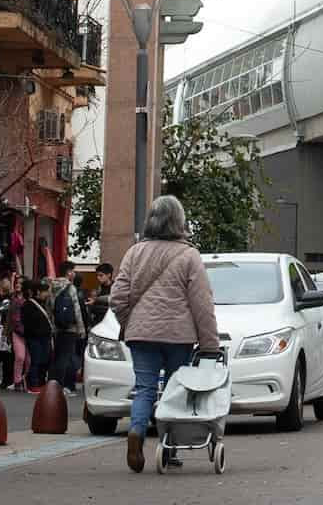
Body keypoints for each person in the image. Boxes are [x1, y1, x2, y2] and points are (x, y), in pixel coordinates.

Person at [111, 195, 220, 474]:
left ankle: (136, 431)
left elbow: (118, 297)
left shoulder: (134, 252)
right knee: (175, 392)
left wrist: (131, 323)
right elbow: (202, 303)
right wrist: (210, 344)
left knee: (145, 388)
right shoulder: (189, 255)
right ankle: (169, 449)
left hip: (141, 335)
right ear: (179, 222)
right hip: (178, 336)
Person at [49, 260, 85, 396]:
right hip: (70, 327)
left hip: (57, 327)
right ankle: (64, 386)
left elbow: (50, 307)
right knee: (67, 357)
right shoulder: (70, 288)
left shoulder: (52, 286)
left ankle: (53, 385)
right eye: (73, 271)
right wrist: (81, 329)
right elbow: (76, 310)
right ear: (69, 272)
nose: (74, 274)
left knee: (58, 356)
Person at [22, 278, 53, 392]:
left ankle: (41, 382)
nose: (47, 294)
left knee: (45, 360)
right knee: (36, 360)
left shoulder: (44, 304)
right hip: (34, 338)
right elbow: (27, 323)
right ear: (38, 292)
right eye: (45, 291)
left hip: (45, 337)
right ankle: (33, 383)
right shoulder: (28, 305)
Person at [87, 262, 114, 326]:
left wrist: (96, 301)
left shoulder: (115, 288)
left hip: (110, 324)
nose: (98, 278)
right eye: (97, 275)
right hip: (98, 323)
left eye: (101, 275)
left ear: (109, 275)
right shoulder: (98, 288)